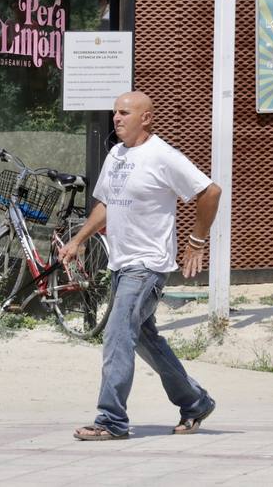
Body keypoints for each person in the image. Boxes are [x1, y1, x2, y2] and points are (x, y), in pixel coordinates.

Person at [60, 90, 222, 441]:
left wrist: (196, 241)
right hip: (121, 264)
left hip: (147, 266)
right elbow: (106, 204)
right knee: (144, 339)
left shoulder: (162, 156)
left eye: (124, 113)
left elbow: (210, 192)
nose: (116, 118)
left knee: (118, 335)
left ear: (146, 118)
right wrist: (79, 239)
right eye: (115, 113)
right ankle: (195, 402)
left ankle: (111, 420)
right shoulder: (117, 154)